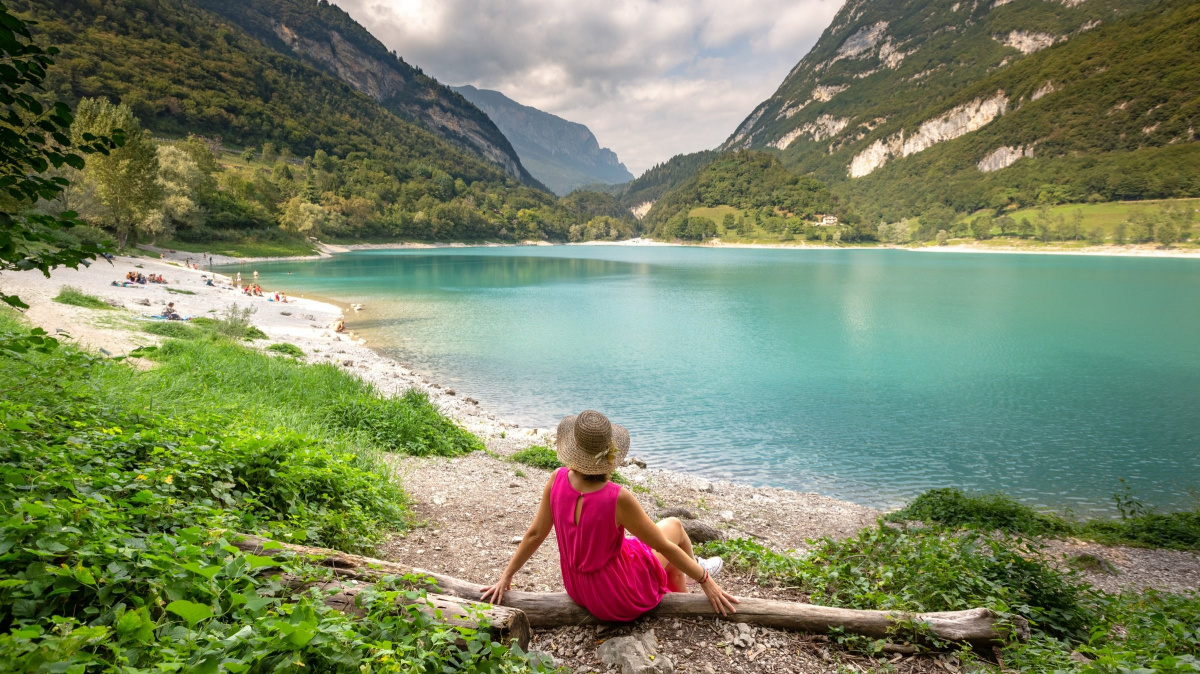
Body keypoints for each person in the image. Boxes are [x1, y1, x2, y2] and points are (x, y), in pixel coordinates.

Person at [480, 411, 735, 621]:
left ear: (575, 449)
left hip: (578, 588)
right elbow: (663, 546)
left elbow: (535, 534)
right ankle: (691, 589)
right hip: (616, 595)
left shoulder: (556, 479)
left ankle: (687, 578)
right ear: (610, 453)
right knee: (676, 527)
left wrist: (506, 576)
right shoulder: (617, 497)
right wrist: (706, 581)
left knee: (645, 545)